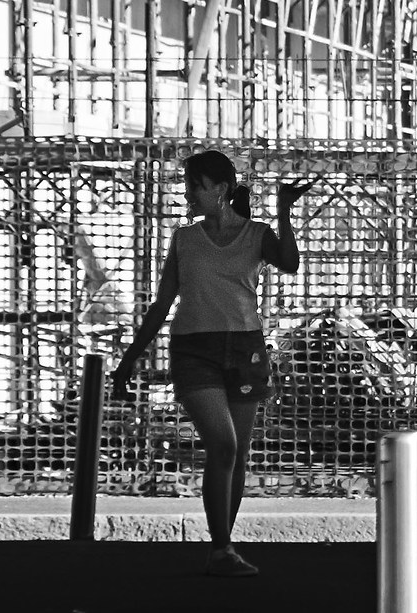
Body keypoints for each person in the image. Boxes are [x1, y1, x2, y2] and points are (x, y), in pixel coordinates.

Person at [111, 152, 307, 576]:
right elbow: (162, 304)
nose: (189, 194)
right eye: (188, 185)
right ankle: (221, 549)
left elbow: (290, 263)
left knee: (235, 453)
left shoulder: (256, 234)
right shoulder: (184, 239)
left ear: (220, 189)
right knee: (224, 445)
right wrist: (129, 359)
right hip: (193, 350)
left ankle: (224, 545)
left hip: (246, 349)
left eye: (196, 185)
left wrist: (285, 211)